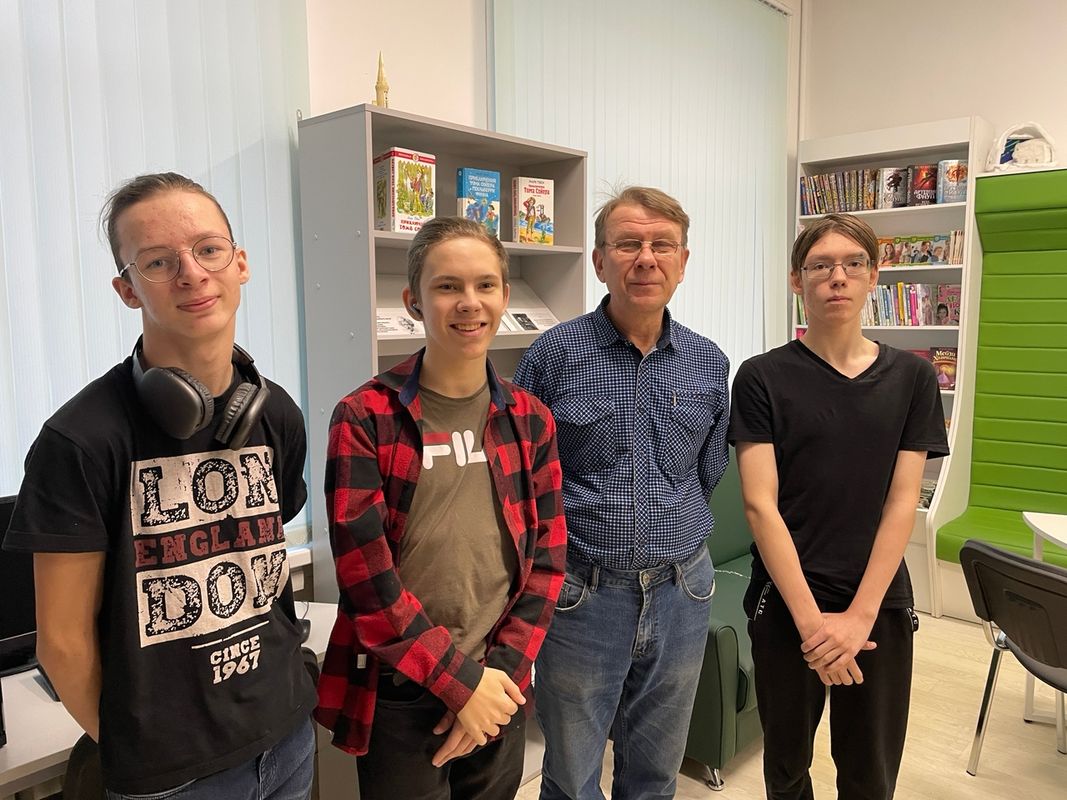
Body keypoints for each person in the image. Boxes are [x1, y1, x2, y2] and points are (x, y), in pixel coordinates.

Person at [3, 173, 317, 798]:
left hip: (287, 737)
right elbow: (61, 642)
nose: (192, 274)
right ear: (127, 290)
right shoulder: (80, 439)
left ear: (240, 263)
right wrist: (140, 751)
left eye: (208, 249)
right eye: (157, 262)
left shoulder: (275, 412)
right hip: (173, 780)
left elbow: (262, 559)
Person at [315, 217, 567, 800]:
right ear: (414, 302)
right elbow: (367, 581)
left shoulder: (530, 418)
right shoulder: (364, 417)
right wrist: (460, 686)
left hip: (500, 679)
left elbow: (548, 561)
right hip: (403, 687)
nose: (469, 302)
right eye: (447, 286)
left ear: (505, 295)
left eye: (485, 285)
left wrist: (496, 678)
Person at [514, 186, 730, 799]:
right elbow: (525, 478)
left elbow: (707, 470)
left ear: (683, 262)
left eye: (663, 245)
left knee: (656, 773)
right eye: (628, 244)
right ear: (599, 261)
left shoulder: (709, 362)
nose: (646, 258)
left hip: (683, 590)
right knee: (572, 776)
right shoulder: (552, 356)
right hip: (582, 596)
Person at [730, 213, 948, 800]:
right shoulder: (761, 377)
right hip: (786, 603)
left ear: (874, 276)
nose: (837, 277)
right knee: (786, 771)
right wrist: (813, 627)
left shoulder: (913, 378)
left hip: (876, 602)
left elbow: (902, 501)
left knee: (869, 774)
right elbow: (760, 505)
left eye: (853, 264)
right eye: (820, 265)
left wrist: (857, 620)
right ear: (796, 280)